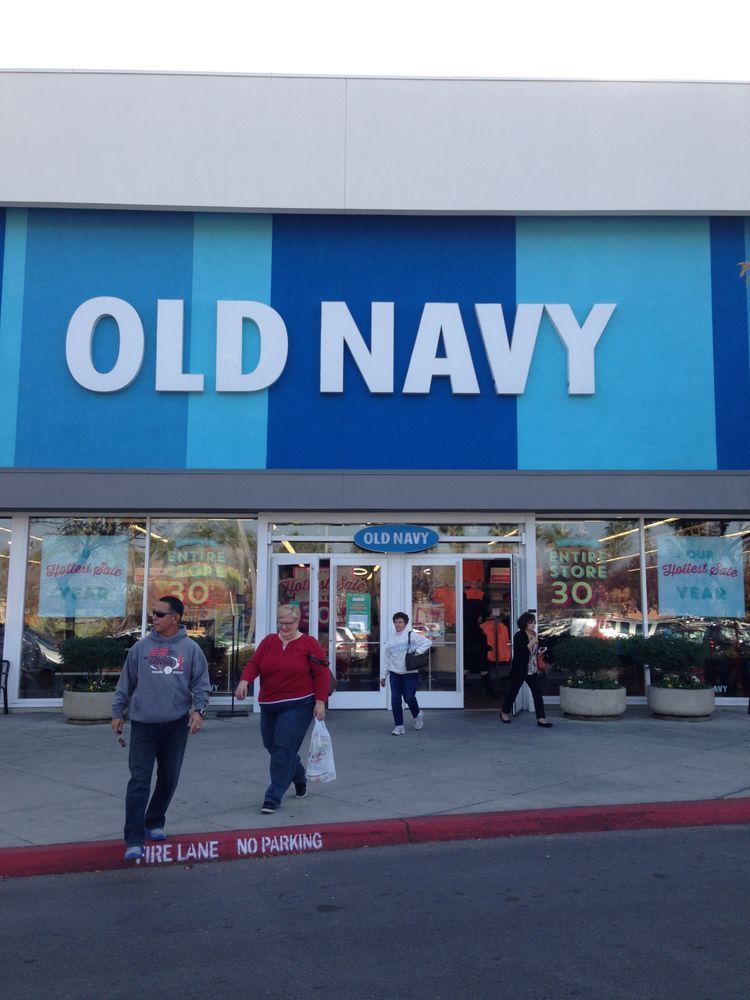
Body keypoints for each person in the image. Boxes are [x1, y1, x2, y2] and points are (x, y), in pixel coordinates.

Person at [112, 595, 210, 862]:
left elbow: (201, 684)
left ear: (175, 618)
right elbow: (125, 683)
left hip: (175, 725)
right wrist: (117, 712)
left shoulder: (190, 649)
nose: (153, 618)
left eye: (159, 614)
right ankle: (133, 839)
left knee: (168, 778)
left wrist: (199, 712)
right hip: (143, 725)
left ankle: (154, 821)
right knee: (139, 781)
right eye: (153, 613)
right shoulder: (140, 649)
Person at [235, 604, 329, 814]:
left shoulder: (309, 644)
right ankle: (299, 777)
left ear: (297, 623)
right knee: (271, 745)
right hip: (269, 703)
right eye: (281, 623)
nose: (284, 627)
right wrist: (244, 681)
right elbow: (255, 663)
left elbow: (321, 674)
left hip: (299, 704)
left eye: (288, 623)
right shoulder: (269, 641)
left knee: (283, 749)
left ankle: (273, 796)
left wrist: (320, 702)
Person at [499, 611, 553, 728]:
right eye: (530, 623)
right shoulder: (519, 635)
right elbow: (522, 652)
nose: (533, 625)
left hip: (532, 669)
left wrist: (540, 649)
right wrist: (532, 642)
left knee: (537, 693)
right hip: (520, 669)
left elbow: (534, 652)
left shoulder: (534, 633)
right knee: (513, 692)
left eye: (534, 622)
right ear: (524, 624)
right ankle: (504, 712)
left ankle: (541, 718)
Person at [380, 611, 431, 735]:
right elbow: (386, 659)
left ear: (405, 623)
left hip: (410, 672)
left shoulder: (411, 635)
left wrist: (417, 652)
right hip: (394, 673)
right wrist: (383, 676)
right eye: (396, 622)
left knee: (409, 697)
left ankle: (417, 714)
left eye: (400, 622)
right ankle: (399, 726)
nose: (398, 624)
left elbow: (428, 642)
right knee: (395, 700)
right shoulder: (390, 640)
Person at [479, 612, 512, 699]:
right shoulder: (503, 627)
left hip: (487, 654)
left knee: (481, 669)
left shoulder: (482, 627)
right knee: (483, 670)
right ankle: (490, 691)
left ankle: (489, 691)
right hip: (500, 654)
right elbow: (506, 642)